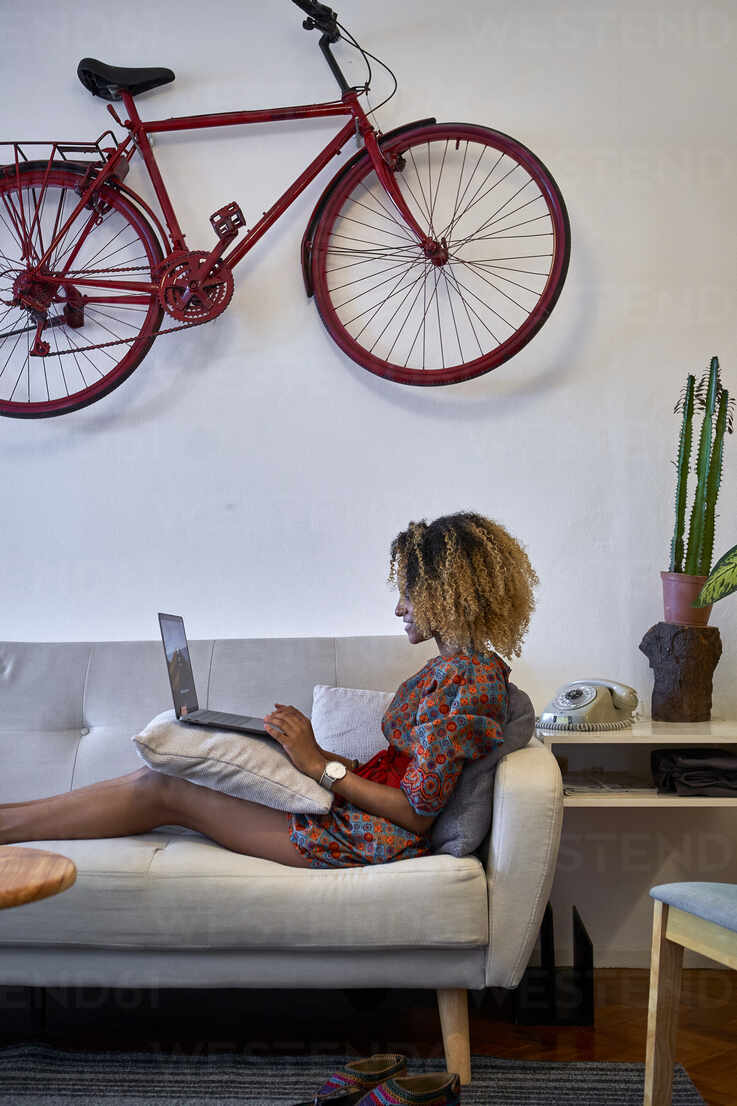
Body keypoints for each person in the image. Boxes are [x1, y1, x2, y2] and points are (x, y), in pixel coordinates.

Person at [0, 512, 537, 869]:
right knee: (157, 774)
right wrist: (309, 750)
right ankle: (9, 816)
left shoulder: (469, 682)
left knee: (164, 790)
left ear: (445, 594)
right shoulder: (455, 670)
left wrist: (316, 765)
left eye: (408, 594)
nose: (400, 608)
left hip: (365, 837)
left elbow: (416, 812)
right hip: (350, 813)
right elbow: (405, 770)